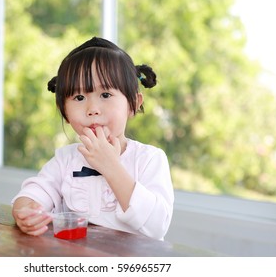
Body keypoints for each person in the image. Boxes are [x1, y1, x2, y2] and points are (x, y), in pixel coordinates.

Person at [11, 36, 174, 240]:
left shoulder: (149, 159)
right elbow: (37, 190)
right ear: (64, 111)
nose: (92, 110)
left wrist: (111, 167)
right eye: (79, 98)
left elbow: (157, 226)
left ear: (133, 103)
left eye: (105, 95)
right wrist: (26, 210)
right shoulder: (66, 159)